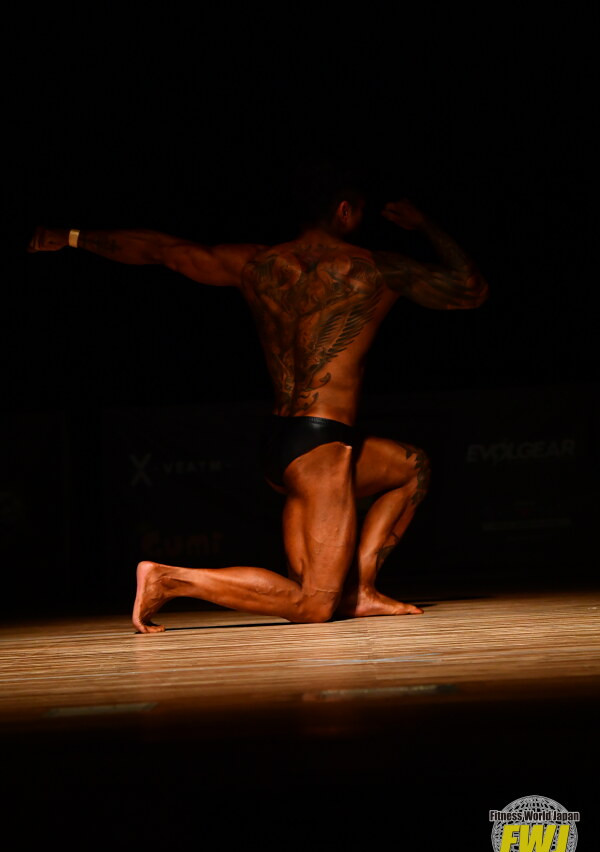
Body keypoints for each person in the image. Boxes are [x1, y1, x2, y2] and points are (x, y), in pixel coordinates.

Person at [28, 165, 488, 633]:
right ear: (344, 210)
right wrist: (424, 224)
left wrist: (70, 237)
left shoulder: (257, 264)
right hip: (323, 448)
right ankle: (171, 579)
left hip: (282, 442)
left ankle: (361, 590)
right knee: (313, 604)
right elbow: (471, 290)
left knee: (412, 467)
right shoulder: (378, 268)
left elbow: (163, 251)